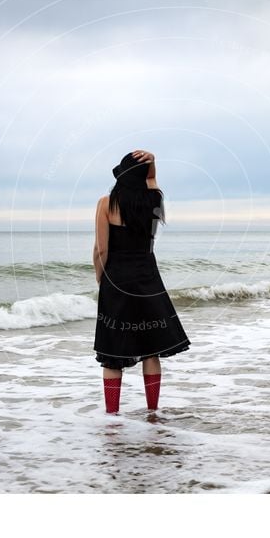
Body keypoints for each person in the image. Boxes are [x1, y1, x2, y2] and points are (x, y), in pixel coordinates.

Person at [93, 150, 191, 414]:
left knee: (112, 350)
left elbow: (101, 250)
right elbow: (152, 181)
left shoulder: (106, 203)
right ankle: (152, 411)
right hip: (147, 276)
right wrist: (153, 163)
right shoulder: (153, 201)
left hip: (116, 278)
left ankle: (112, 416)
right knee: (151, 349)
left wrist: (100, 278)